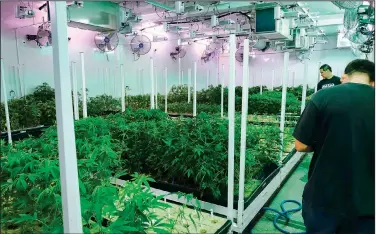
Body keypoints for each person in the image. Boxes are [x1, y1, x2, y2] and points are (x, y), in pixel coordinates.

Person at [293, 59, 375, 233]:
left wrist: (323, 143)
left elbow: (300, 145)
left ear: (344, 76)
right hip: (367, 205)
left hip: (323, 197)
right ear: (373, 82)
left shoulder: (322, 96)